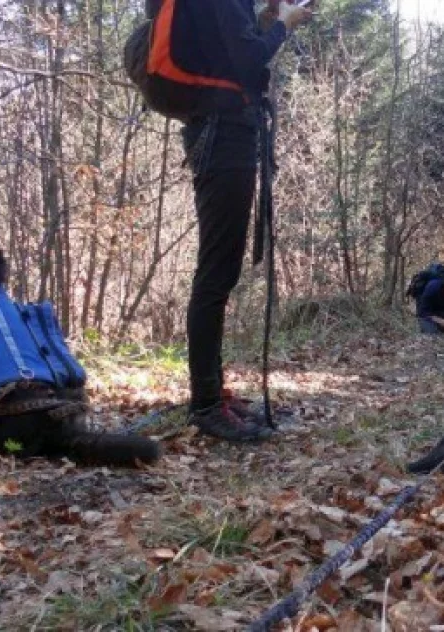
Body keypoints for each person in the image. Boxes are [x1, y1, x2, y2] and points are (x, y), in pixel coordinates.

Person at [180, 0, 315, 443]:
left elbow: (226, 53)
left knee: (220, 272)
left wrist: (264, 22)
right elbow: (248, 60)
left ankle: (212, 394)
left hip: (221, 133)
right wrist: (284, 26)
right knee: (215, 274)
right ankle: (205, 405)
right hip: (223, 137)